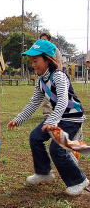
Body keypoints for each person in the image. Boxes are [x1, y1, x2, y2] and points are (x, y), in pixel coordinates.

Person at [7, 39, 89, 196]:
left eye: (35, 60)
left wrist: (52, 121)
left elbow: (64, 100)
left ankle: (78, 180)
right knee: (35, 137)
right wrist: (18, 119)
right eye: (31, 61)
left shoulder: (58, 76)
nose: (33, 64)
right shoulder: (40, 81)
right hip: (58, 117)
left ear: (48, 59)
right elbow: (34, 103)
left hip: (72, 118)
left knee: (57, 149)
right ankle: (43, 172)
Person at [39, 32, 63, 118]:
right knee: (45, 95)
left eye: (45, 40)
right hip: (44, 76)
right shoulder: (40, 51)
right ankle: (47, 114)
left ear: (49, 40)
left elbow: (59, 62)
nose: (43, 41)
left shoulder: (55, 49)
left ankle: (58, 113)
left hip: (55, 75)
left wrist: (58, 74)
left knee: (56, 95)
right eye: (41, 40)